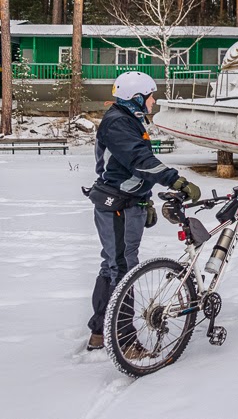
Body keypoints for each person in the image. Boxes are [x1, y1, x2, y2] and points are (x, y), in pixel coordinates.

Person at [85, 71, 201, 352]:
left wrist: (144, 199)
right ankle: (124, 340)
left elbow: (128, 167)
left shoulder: (127, 120)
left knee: (113, 266)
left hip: (124, 203)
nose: (153, 101)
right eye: (150, 96)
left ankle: (100, 330)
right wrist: (176, 180)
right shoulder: (119, 123)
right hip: (118, 206)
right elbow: (140, 160)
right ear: (136, 98)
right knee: (123, 271)